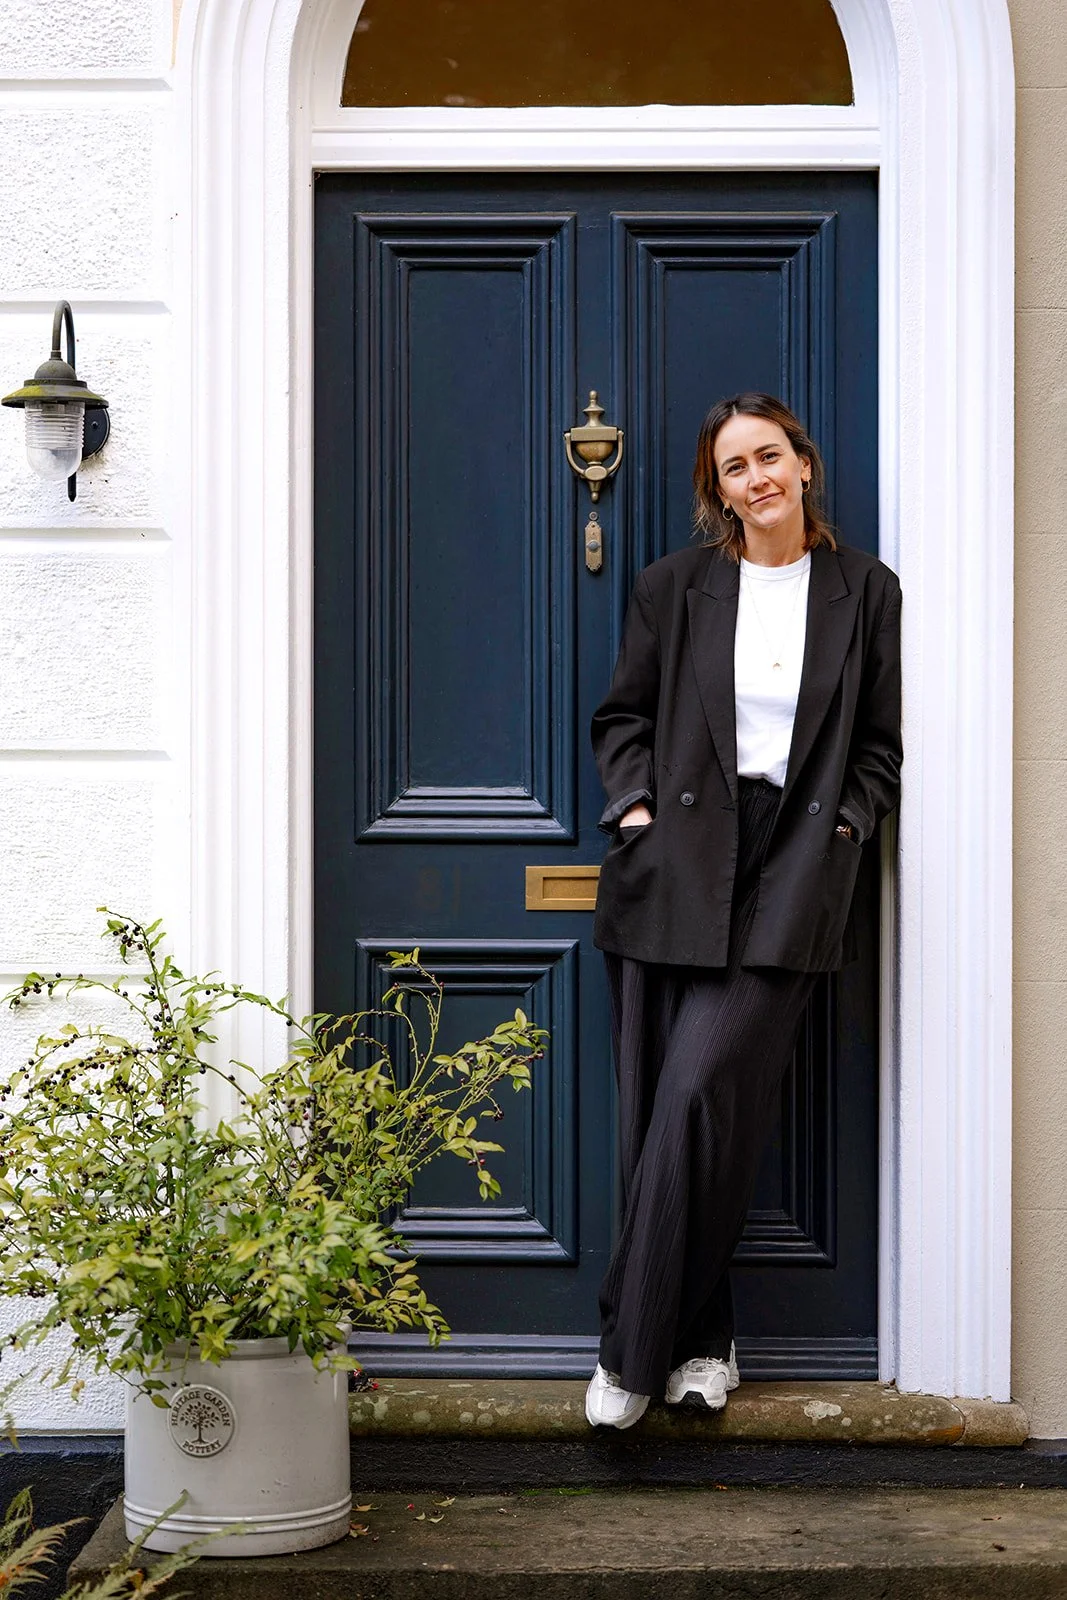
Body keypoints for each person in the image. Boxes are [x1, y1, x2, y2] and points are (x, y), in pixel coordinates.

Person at [585, 392, 902, 1429]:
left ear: (802, 464)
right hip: (675, 861)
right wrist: (632, 810)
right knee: (667, 1118)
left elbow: (877, 745)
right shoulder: (672, 588)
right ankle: (702, 1341)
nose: (755, 478)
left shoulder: (864, 591)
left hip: (793, 860)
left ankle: (626, 1352)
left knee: (695, 1098)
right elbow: (622, 713)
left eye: (768, 456)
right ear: (713, 489)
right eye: (733, 467)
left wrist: (845, 830)